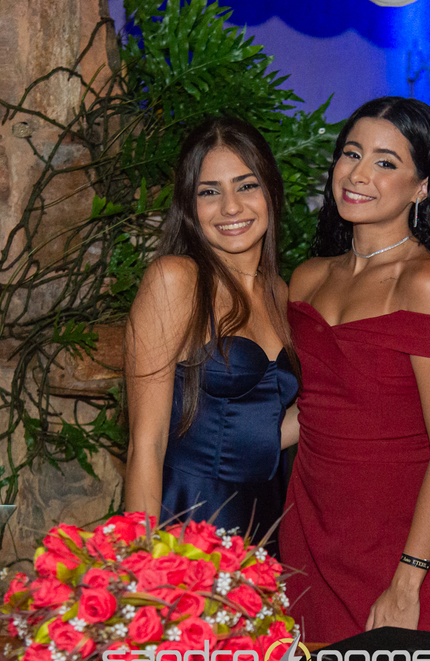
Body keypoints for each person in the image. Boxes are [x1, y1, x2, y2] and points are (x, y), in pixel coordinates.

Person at [281, 97, 430, 642]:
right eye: (352, 153)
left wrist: (408, 581)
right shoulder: (308, 277)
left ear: (422, 188)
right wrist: (211, 449)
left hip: (394, 544)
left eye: (385, 162)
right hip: (308, 530)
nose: (359, 174)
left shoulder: (423, 282)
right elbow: (312, 410)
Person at [124, 117, 299, 537]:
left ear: (271, 192)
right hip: (187, 521)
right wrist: (139, 561)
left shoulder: (281, 292)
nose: (231, 207)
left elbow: (267, 430)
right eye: (209, 192)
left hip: (266, 522)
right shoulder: (175, 279)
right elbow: (145, 445)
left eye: (246, 185)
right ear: (189, 206)